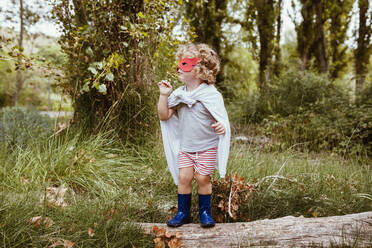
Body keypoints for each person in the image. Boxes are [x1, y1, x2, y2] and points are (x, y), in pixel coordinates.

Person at [157, 43, 230, 228]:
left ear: (199, 70)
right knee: (184, 178)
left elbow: (222, 119)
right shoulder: (179, 95)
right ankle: (183, 213)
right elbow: (163, 116)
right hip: (186, 147)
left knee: (202, 178)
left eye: (184, 64)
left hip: (207, 146)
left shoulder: (210, 95)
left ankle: (205, 212)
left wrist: (222, 127)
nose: (178, 68)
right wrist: (164, 95)